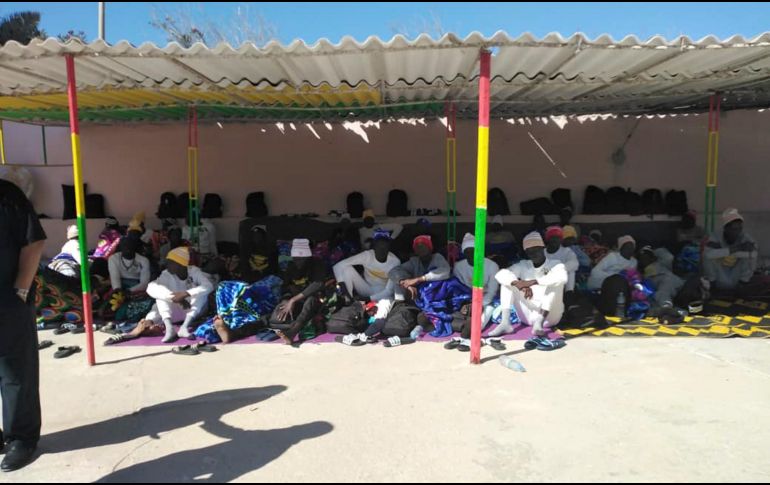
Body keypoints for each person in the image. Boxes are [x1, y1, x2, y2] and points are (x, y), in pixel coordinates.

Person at [0, 177, 46, 471]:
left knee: (16, 373)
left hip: (7, 302)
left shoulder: (7, 195)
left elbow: (34, 241)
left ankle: (21, 438)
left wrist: (20, 290)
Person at [489, 232, 568, 351]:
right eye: (530, 250)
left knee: (555, 285)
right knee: (508, 282)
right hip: (527, 315)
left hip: (549, 317)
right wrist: (518, 284)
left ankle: (539, 323)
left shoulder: (556, 264)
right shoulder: (523, 265)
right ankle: (505, 323)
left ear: (543, 248)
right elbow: (500, 274)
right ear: (526, 252)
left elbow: (562, 278)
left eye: (536, 249)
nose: (534, 253)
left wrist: (532, 282)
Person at [119, 247, 214, 343]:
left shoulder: (194, 271)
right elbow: (151, 287)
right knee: (160, 295)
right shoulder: (166, 274)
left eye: (170, 262)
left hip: (194, 312)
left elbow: (209, 286)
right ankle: (169, 328)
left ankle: (184, 327)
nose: (166, 264)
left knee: (201, 294)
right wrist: (173, 297)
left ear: (180, 264)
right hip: (174, 312)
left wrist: (185, 294)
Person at [444, 233, 500, 351]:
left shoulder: (492, 266)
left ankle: (467, 335)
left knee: (487, 312)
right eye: (468, 252)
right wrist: (465, 303)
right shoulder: (459, 266)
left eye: (474, 251)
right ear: (464, 253)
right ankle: (465, 330)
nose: (471, 255)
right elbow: (458, 290)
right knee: (450, 312)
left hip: (486, 300)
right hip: (466, 300)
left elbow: (492, 292)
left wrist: (479, 305)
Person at [272, 239, 330, 345]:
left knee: (311, 300)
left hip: (318, 301)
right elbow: (285, 286)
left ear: (308, 258)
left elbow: (318, 284)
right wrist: (286, 299)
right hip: (297, 302)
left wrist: (293, 300)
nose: (298, 262)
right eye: (296, 259)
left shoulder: (317, 264)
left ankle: (293, 332)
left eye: (301, 259)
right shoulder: (291, 266)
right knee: (277, 315)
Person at [333, 228, 400, 305]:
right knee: (346, 269)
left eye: (385, 246)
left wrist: (367, 299)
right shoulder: (367, 256)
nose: (382, 249)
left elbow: (389, 291)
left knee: (386, 303)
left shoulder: (395, 262)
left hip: (382, 294)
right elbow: (338, 265)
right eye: (379, 246)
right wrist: (343, 288)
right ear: (374, 246)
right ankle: (348, 301)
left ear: (389, 248)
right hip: (365, 289)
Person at [703, 208, 759, 294]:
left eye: (740, 228)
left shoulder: (745, 237)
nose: (738, 232)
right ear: (725, 228)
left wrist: (722, 252)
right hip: (719, 274)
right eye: (734, 229)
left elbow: (754, 253)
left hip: (736, 275)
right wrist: (737, 248)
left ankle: (743, 284)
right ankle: (712, 286)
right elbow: (708, 254)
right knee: (707, 255)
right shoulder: (715, 236)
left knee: (750, 256)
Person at [588, 235, 638, 316]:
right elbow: (595, 272)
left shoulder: (634, 262)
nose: (630, 249)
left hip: (621, 288)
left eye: (632, 247)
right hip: (600, 283)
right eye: (627, 247)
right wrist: (614, 277)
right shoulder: (613, 257)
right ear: (621, 248)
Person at [544, 226, 579, 293]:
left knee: (570, 271)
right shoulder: (542, 252)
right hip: (546, 279)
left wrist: (557, 269)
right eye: (552, 237)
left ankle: (569, 293)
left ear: (561, 240)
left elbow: (574, 264)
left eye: (557, 238)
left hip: (561, 279)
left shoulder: (567, 251)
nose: (555, 240)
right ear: (548, 239)